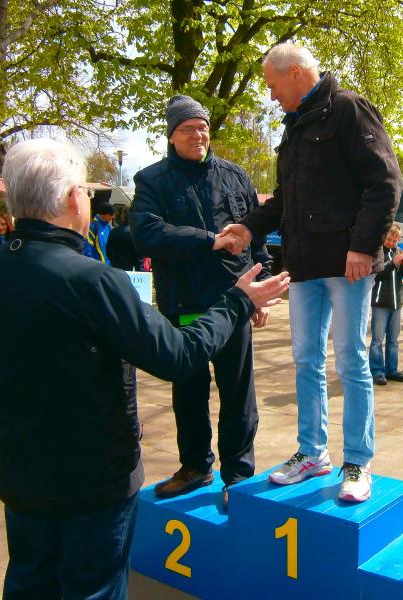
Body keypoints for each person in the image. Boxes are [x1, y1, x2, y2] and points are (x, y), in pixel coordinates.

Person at [0, 138, 289, 599]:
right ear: (72, 198)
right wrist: (238, 301)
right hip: (92, 484)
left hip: (21, 477)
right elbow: (178, 355)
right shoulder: (92, 280)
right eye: (85, 191)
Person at [221, 42, 402, 503]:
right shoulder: (295, 127)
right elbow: (284, 200)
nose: (271, 95)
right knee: (305, 360)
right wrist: (249, 226)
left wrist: (363, 247)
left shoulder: (348, 109)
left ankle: (357, 460)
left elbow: (385, 182)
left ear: (296, 73)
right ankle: (312, 452)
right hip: (304, 266)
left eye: (273, 85)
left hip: (348, 265)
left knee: (351, 360)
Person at [130, 95, 273, 507]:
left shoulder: (235, 176)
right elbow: (147, 234)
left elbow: (256, 238)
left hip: (234, 301)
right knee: (189, 393)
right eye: (188, 128)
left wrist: (260, 291)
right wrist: (209, 240)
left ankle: (238, 477)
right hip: (184, 305)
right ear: (171, 136)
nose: (199, 135)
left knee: (238, 395)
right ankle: (194, 466)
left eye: (203, 127)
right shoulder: (152, 180)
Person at [369, 224, 403, 385]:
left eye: (395, 240)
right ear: (384, 237)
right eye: (389, 239)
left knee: (393, 340)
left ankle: (392, 370)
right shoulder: (377, 252)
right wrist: (393, 263)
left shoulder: (399, 252)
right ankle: (377, 371)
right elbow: (377, 274)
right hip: (380, 303)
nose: (391, 243)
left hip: (397, 302)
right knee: (377, 340)